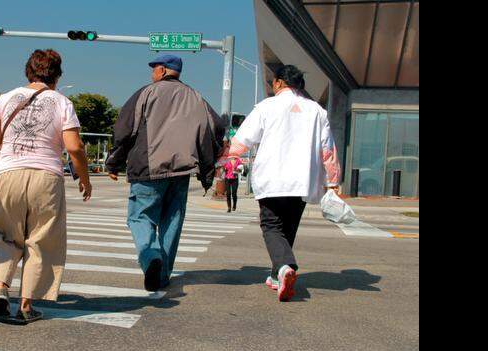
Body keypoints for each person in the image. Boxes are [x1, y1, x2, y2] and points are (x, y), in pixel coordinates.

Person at [0, 49, 92, 324]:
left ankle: (0, 290)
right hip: (46, 176)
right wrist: (84, 178)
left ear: (28, 71)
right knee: (41, 239)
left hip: (7, 173)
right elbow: (74, 147)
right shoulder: (62, 102)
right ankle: (27, 304)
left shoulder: (5, 98)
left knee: (6, 234)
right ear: (57, 75)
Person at [105, 54, 225, 291]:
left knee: (140, 217)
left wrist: (114, 162)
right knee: (172, 221)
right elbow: (217, 128)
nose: (152, 75)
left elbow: (124, 130)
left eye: (153, 70)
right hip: (181, 171)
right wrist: (207, 168)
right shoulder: (196, 97)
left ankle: (152, 258)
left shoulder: (146, 93)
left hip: (148, 170)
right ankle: (163, 275)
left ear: (161, 70)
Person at [226, 65, 341, 302]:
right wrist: (332, 182)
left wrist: (227, 157)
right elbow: (328, 150)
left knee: (271, 226)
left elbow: (243, 140)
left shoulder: (267, 107)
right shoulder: (317, 111)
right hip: (303, 181)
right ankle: (277, 275)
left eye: (273, 82)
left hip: (272, 178)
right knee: (288, 228)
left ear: (278, 82)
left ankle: (285, 267)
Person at [223, 148, 243, 212]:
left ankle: (234, 206)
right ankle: (229, 207)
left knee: (234, 193)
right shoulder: (227, 161)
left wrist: (238, 170)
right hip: (227, 179)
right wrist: (223, 169)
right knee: (228, 193)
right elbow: (224, 169)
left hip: (235, 179)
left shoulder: (238, 161)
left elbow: (241, 170)